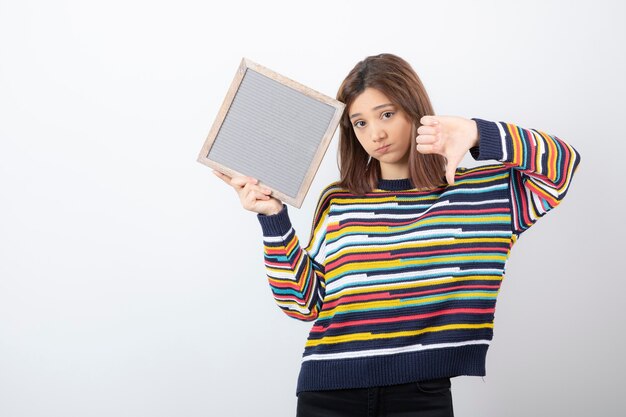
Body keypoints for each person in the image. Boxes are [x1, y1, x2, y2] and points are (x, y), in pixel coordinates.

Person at [213, 53, 580, 417]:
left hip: (422, 394)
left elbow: (562, 166)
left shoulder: (483, 194)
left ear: (415, 110)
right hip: (328, 392)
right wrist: (274, 219)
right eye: (360, 123)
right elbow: (303, 304)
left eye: (387, 114)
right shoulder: (340, 200)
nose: (376, 134)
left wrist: (474, 133)